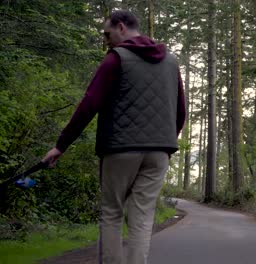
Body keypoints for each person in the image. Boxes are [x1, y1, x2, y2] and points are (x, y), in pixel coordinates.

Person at [42, 10, 186, 264]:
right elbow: (181, 111)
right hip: (159, 150)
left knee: (112, 212)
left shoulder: (116, 59)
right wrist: (165, 142)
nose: (106, 40)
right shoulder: (171, 62)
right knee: (142, 217)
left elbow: (89, 105)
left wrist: (61, 145)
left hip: (121, 149)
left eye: (107, 34)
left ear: (121, 27)